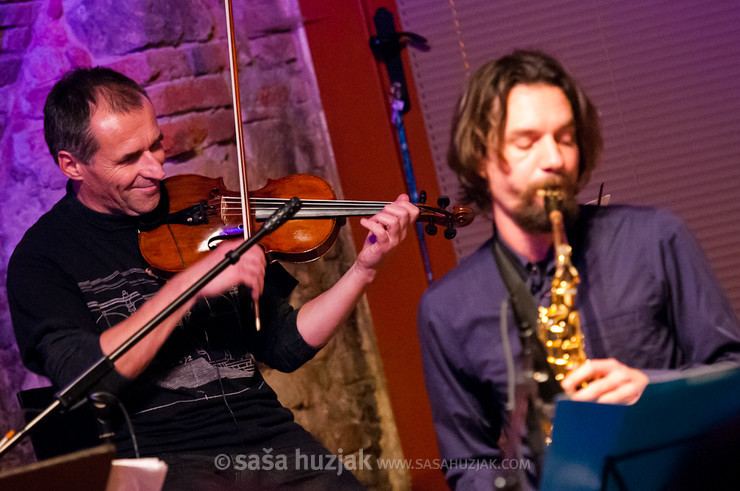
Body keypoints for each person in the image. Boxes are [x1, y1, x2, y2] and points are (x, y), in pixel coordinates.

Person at [7, 66, 419, 489]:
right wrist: (192, 284)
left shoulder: (203, 210)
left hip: (270, 441)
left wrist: (363, 271)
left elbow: (282, 345)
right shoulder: (42, 261)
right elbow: (87, 377)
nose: (156, 170)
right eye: (130, 159)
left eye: (156, 145)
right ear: (72, 165)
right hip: (161, 461)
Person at [417, 50, 740, 489]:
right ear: (479, 156)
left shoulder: (655, 238)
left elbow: (733, 375)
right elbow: (468, 464)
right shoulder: (446, 310)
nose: (554, 159)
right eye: (526, 141)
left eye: (565, 138)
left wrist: (653, 390)